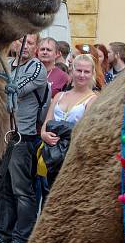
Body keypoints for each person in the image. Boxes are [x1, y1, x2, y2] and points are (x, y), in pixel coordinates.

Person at [0, 34, 47, 243]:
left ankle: (21, 237)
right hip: (2, 135)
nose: (24, 46)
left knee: (21, 190)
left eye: (29, 42)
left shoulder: (36, 69)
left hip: (22, 136)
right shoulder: (8, 64)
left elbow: (14, 88)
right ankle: (2, 233)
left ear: (35, 46)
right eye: (20, 41)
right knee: (1, 187)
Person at [39, 53, 97, 190]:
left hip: (73, 158)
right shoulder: (60, 95)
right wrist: (44, 135)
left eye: (86, 71)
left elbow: (85, 132)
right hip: (51, 156)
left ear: (92, 73)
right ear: (72, 70)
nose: (82, 75)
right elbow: (46, 123)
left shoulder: (93, 99)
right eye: (79, 70)